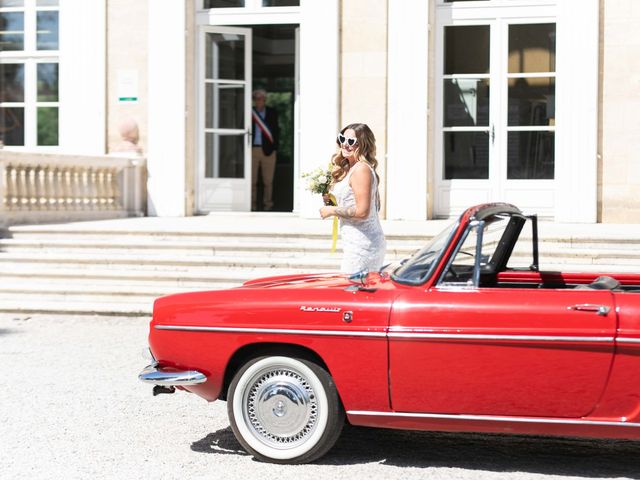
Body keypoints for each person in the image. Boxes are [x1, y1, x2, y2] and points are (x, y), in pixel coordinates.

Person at [319, 123, 386, 274]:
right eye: (342, 138)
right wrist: (330, 200)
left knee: (354, 292)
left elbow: (363, 212)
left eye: (351, 141)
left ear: (362, 145)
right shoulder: (351, 168)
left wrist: (331, 210)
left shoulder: (361, 169)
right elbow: (350, 203)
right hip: (354, 241)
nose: (345, 144)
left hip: (364, 245)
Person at [251, 89, 279, 211]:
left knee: (268, 182)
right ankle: (252, 205)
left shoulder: (272, 112)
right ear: (254, 100)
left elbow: (277, 131)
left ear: (265, 100)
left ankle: (268, 206)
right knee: (252, 181)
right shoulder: (250, 112)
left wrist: (275, 148)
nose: (259, 100)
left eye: (261, 98)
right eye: (257, 98)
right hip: (252, 150)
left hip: (268, 151)